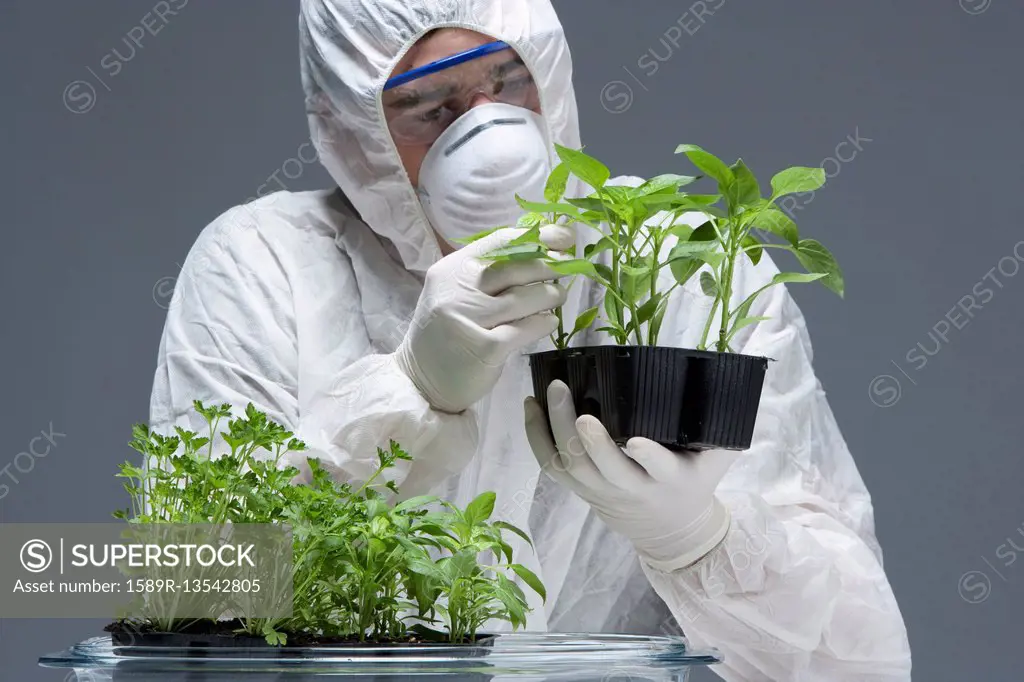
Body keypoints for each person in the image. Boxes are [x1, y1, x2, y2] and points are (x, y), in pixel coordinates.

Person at [148, 1, 913, 679]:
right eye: (427, 108)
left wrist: (697, 539)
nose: (488, 132)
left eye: (509, 82)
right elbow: (190, 599)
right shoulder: (267, 265)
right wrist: (407, 392)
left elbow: (860, 665)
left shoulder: (687, 278)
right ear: (351, 130)